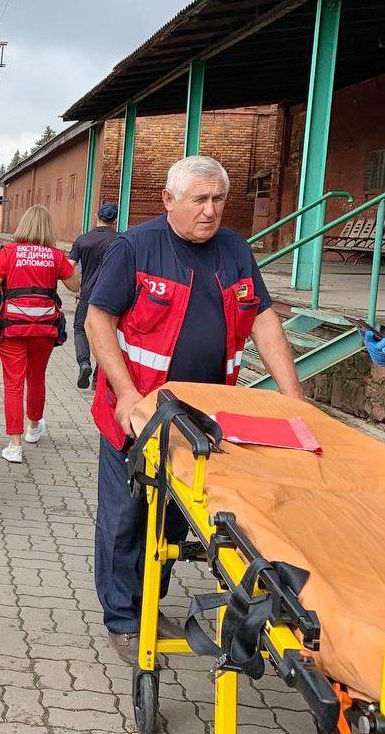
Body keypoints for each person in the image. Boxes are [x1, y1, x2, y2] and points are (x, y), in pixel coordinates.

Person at [84, 155, 301, 663]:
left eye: (218, 199)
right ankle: (122, 616)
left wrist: (293, 397)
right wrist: (127, 396)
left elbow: (264, 319)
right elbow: (98, 321)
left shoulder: (235, 250)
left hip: (201, 420)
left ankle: (148, 601)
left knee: (173, 524)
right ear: (168, 200)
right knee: (124, 517)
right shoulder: (135, 248)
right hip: (137, 413)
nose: (210, 211)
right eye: (198, 199)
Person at [0, 205, 79, 463]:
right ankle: (33, 428)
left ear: (24, 226)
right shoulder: (55, 255)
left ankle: (14, 446)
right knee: (36, 377)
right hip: (45, 328)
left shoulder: (9, 253)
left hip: (12, 327)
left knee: (13, 384)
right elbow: (75, 285)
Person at [68, 202, 119, 389]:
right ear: (114, 220)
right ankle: (99, 377)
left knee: (80, 328)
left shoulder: (83, 240)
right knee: (107, 334)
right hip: (112, 296)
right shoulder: (120, 240)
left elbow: (69, 266)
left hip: (88, 293)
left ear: (96, 215)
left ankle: (84, 363)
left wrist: (75, 286)